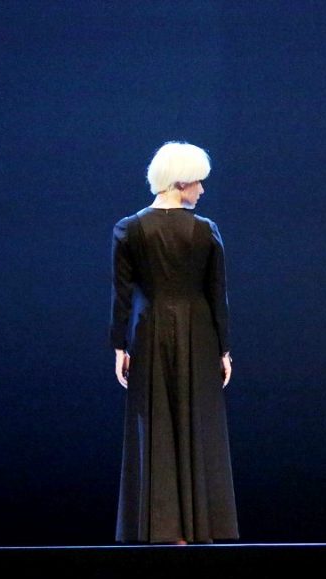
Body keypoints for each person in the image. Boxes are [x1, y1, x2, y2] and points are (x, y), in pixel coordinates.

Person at [110, 141, 238, 544]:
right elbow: (217, 295)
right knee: (198, 424)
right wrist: (224, 349)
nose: (202, 190)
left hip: (149, 334)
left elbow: (121, 296)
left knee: (156, 426)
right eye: (198, 182)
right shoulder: (205, 231)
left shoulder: (130, 228)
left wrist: (119, 346)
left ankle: (163, 531)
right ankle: (198, 529)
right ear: (181, 182)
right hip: (198, 335)